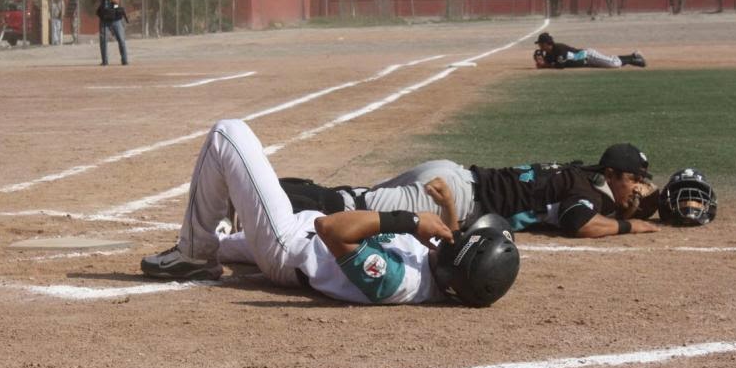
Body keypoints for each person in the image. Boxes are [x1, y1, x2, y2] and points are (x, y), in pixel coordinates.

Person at [140, 120, 520, 307]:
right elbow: (449, 243)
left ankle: (193, 254)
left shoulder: (398, 281)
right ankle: (210, 243)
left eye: (467, 238)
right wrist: (449, 208)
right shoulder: (440, 270)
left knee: (228, 133)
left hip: (285, 244)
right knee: (220, 245)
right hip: (292, 238)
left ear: (461, 263)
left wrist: (410, 220)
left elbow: (331, 228)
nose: (461, 233)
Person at [281, 144, 661, 239]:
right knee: (346, 204)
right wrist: (631, 227)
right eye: (634, 178)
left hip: (454, 177)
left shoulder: (579, 173)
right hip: (457, 197)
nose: (638, 185)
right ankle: (257, 193)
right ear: (611, 174)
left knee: (354, 198)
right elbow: (579, 223)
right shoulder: (587, 193)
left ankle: (266, 192)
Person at [533, 32, 646, 69]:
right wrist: (542, 62)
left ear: (547, 44)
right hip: (587, 61)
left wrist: (545, 65)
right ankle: (634, 58)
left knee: (613, 64)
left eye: (540, 44)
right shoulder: (549, 53)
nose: (540, 47)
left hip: (588, 56)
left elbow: (560, 65)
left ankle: (633, 56)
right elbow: (549, 62)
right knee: (611, 60)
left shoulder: (559, 48)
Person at [95, 0, 128, 66]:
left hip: (115, 18)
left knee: (121, 39)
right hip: (104, 18)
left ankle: (124, 60)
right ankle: (105, 61)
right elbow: (96, 0)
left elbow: (117, 1)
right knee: (103, 40)